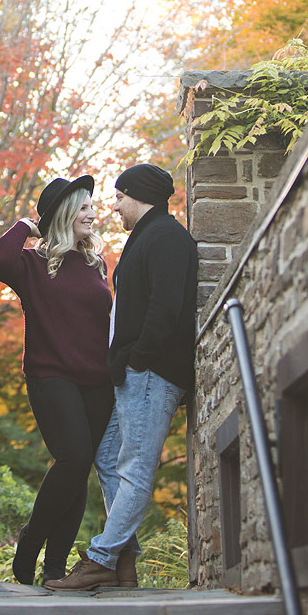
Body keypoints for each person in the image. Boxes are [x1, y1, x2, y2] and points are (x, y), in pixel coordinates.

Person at [45, 162, 198, 591]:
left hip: (150, 372)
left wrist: (139, 358)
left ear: (139, 196)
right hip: (133, 375)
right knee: (108, 456)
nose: (114, 207)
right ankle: (123, 560)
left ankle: (100, 558)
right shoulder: (147, 237)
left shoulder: (167, 237)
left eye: (119, 197)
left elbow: (166, 307)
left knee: (134, 466)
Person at [0, 174, 115, 586]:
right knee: (74, 458)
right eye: (82, 207)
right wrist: (29, 224)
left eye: (92, 207)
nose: (92, 214)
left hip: (98, 382)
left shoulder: (98, 264)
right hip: (51, 374)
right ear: (62, 214)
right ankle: (30, 543)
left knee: (79, 470)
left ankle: (56, 567)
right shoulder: (32, 263)